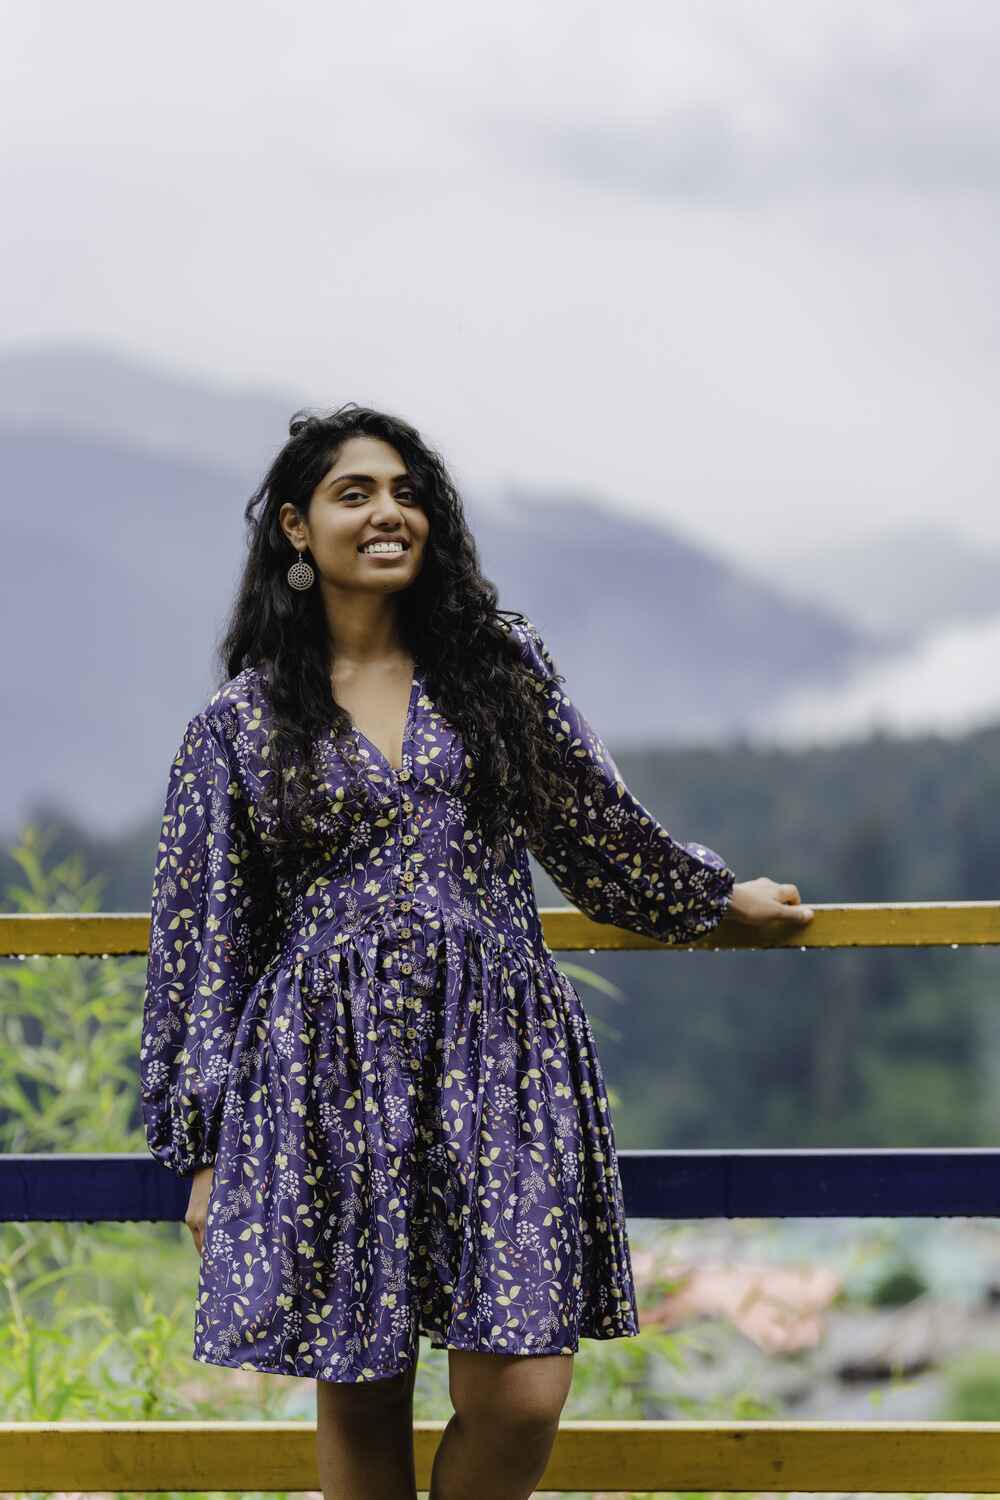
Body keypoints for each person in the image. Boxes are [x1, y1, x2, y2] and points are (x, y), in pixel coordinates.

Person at [139, 403, 814, 1500]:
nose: (388, 511)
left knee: (521, 1389)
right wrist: (207, 1152)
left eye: (406, 491)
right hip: (324, 1069)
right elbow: (203, 950)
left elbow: (592, 824)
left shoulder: (496, 666)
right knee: (361, 1386)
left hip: (498, 1055)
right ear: (297, 533)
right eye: (354, 493)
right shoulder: (241, 723)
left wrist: (711, 897)